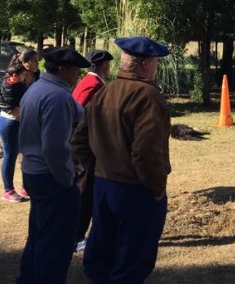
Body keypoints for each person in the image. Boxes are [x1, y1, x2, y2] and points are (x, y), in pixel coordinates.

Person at [71, 36, 172, 284]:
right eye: (156, 63)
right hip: (135, 189)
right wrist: (156, 189)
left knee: (99, 259)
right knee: (131, 262)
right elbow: (146, 153)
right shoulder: (148, 96)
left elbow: (79, 141)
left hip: (104, 186)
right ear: (146, 64)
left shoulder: (105, 91)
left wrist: (87, 172)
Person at [17, 46, 89, 284]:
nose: (78, 74)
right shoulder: (56, 97)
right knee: (56, 243)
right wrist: (67, 178)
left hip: (34, 171)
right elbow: (54, 148)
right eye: (76, 69)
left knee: (38, 235)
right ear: (63, 69)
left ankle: (28, 279)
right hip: (50, 176)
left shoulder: (37, 88)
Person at [72, 49, 114, 251]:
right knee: (86, 193)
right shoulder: (94, 85)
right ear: (102, 66)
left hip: (85, 145)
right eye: (107, 64)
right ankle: (78, 235)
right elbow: (80, 114)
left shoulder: (88, 82)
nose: (109, 67)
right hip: (87, 148)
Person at [0, 56, 31, 202]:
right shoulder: (17, 85)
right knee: (10, 155)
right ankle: (8, 191)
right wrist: (9, 108)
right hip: (9, 122)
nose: (25, 76)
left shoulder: (10, 81)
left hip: (18, 122)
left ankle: (25, 187)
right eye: (23, 74)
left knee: (24, 152)